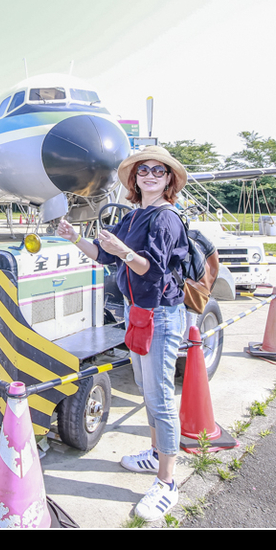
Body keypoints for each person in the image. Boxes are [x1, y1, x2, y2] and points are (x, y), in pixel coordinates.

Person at [57, 145, 189, 523]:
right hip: (138, 312)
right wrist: (73, 238)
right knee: (147, 388)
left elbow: (153, 270)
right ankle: (154, 453)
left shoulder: (166, 219)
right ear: (135, 178)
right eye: (143, 170)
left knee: (160, 396)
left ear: (168, 180)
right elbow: (104, 255)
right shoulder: (135, 215)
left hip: (161, 314)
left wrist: (125, 252)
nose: (149, 175)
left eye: (158, 171)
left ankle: (167, 482)